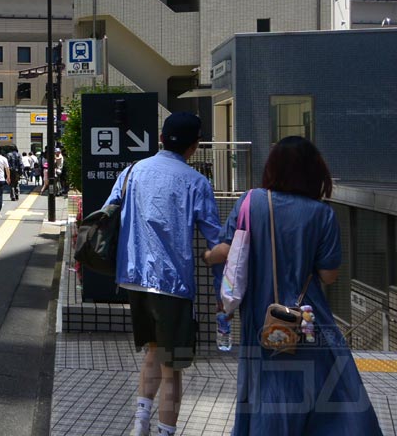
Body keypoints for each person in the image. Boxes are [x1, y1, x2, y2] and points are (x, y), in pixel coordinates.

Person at [204, 137, 383, 435]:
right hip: (307, 321)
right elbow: (328, 276)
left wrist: (207, 256)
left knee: (266, 392)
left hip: (262, 320)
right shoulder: (322, 214)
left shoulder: (251, 201)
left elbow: (228, 250)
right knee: (329, 393)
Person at [107, 113, 224, 436]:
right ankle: (164, 432)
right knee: (174, 368)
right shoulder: (197, 182)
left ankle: (140, 423)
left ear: (161, 138)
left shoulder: (131, 171)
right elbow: (216, 242)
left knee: (154, 350)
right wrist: (221, 292)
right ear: (194, 146)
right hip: (173, 285)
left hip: (133, 278)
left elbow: (107, 213)